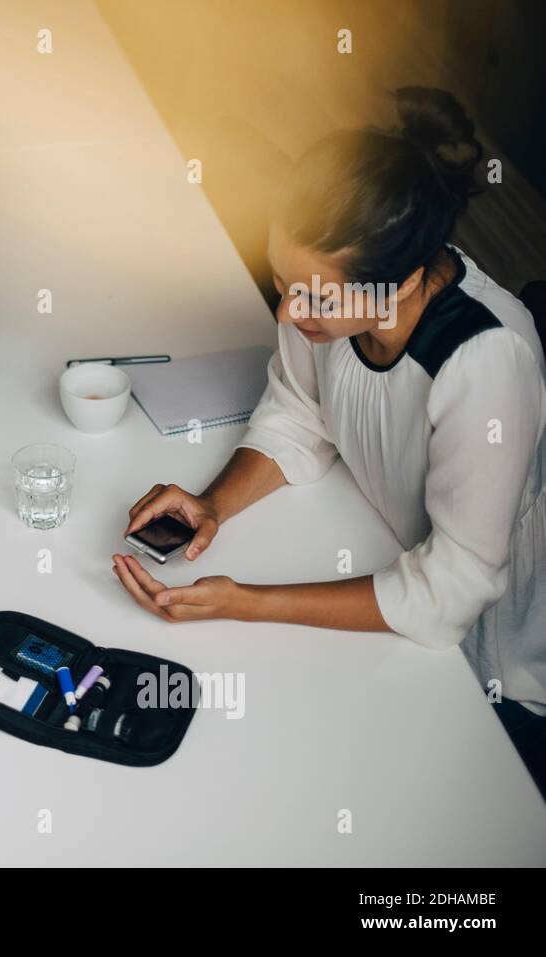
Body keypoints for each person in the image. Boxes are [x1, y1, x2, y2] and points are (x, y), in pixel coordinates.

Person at [111, 88, 546, 795]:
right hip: (382, 556)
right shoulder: (330, 299)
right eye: (282, 282)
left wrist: (247, 602)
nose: (289, 311)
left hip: (491, 664)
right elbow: (299, 411)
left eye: (314, 296)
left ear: (401, 282)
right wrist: (214, 503)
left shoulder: (485, 363)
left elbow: (450, 591)